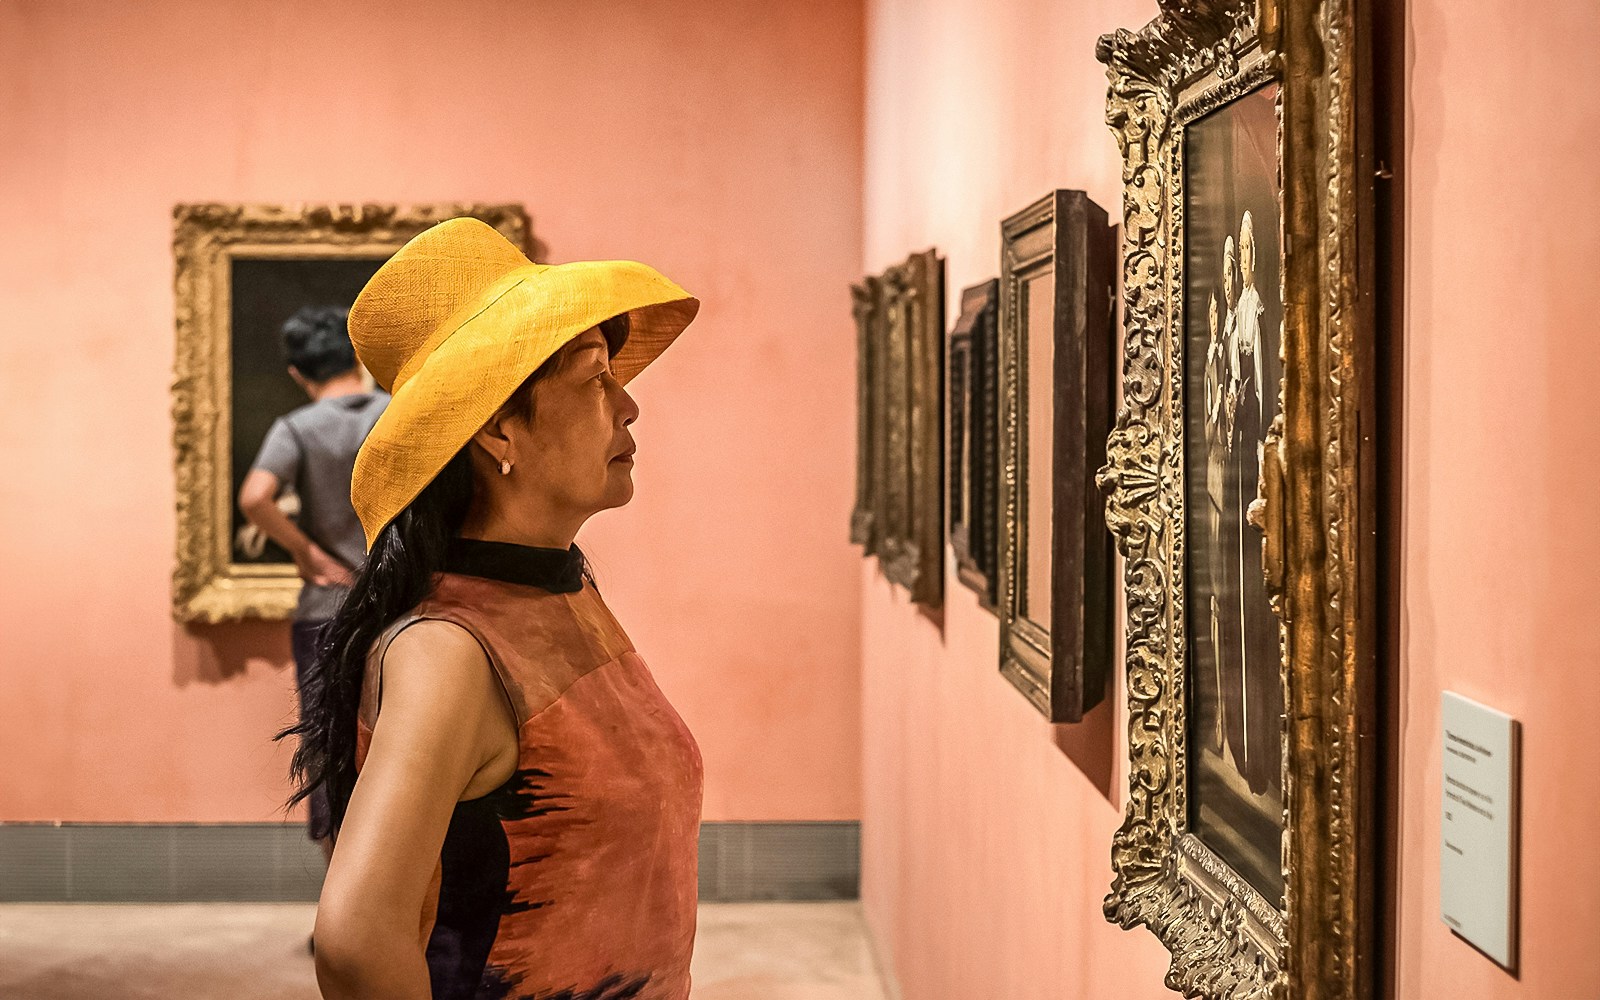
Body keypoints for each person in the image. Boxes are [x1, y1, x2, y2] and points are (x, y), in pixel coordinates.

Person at [280, 217, 704, 1000]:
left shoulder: (559, 592)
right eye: (594, 377)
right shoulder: (448, 649)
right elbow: (355, 942)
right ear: (498, 429)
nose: (629, 405)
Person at [240, 305, 389, 855]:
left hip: (325, 609)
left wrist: (309, 554)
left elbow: (255, 497)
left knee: (328, 745)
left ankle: (338, 907)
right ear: (356, 358)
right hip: (397, 606)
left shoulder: (297, 428)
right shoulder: (396, 413)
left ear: (299, 374)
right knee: (403, 743)